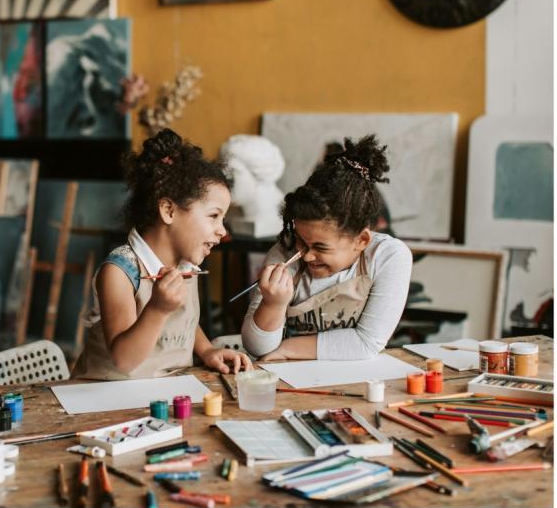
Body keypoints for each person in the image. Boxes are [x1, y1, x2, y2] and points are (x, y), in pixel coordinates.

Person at [73, 129, 252, 379]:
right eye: (214, 216)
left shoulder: (187, 263)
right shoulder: (119, 272)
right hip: (107, 397)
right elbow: (123, 360)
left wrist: (208, 350)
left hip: (163, 392)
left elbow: (184, 323)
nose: (222, 231)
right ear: (169, 210)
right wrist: (157, 309)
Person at [241, 135, 412, 361]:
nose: (307, 255)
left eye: (320, 246)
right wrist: (273, 304)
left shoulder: (388, 257)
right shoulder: (285, 253)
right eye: (302, 240)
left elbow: (366, 343)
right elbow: (257, 348)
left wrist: (286, 349)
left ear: (361, 240)